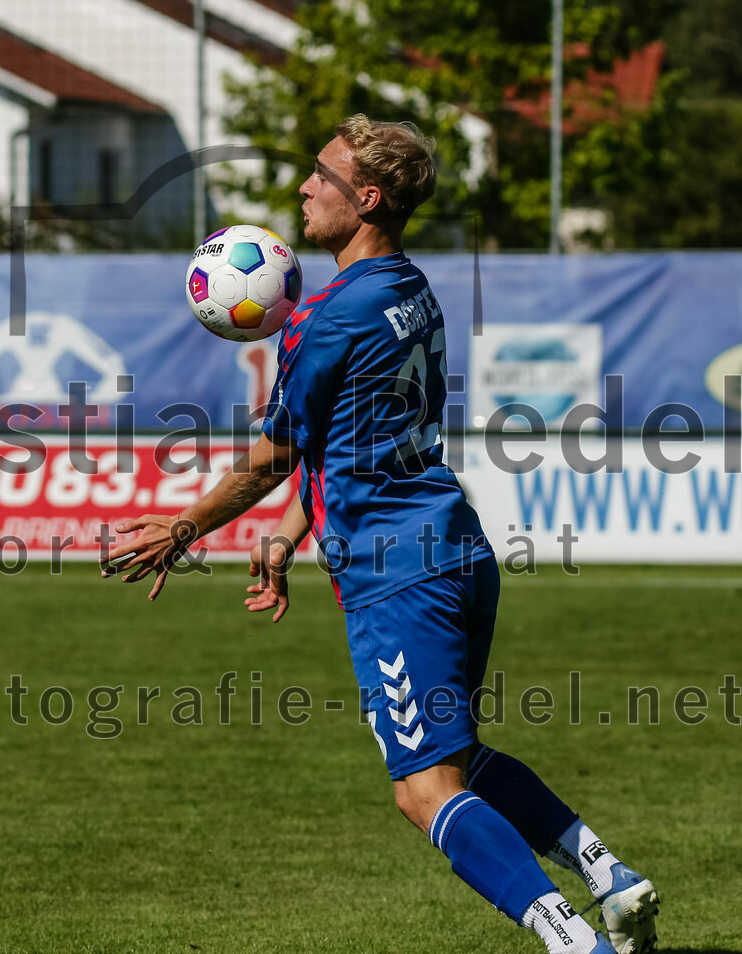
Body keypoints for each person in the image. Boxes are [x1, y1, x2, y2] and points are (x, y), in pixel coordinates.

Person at [101, 115, 659, 954]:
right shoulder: (406, 288)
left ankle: (568, 939)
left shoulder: (324, 319)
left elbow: (271, 459)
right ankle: (607, 875)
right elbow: (342, 442)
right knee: (458, 758)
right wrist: (284, 541)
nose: (301, 188)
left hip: (397, 572)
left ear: (364, 197)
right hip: (454, 547)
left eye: (319, 175)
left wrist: (181, 527)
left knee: (422, 790)